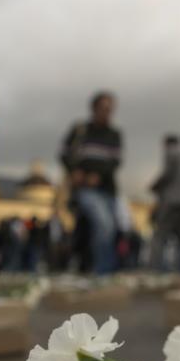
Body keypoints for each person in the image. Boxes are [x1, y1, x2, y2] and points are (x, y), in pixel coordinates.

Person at [59, 91, 123, 275]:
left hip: (107, 189)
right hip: (85, 190)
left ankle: (92, 266)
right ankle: (103, 270)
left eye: (110, 109)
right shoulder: (80, 130)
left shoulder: (114, 134)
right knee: (104, 225)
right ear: (94, 108)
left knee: (103, 228)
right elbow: (63, 153)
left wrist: (98, 175)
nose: (107, 112)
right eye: (104, 108)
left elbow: (115, 162)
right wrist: (74, 171)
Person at [149, 135, 180, 272]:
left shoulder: (171, 152)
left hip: (173, 200)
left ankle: (155, 268)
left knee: (160, 236)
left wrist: (154, 186)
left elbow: (167, 174)